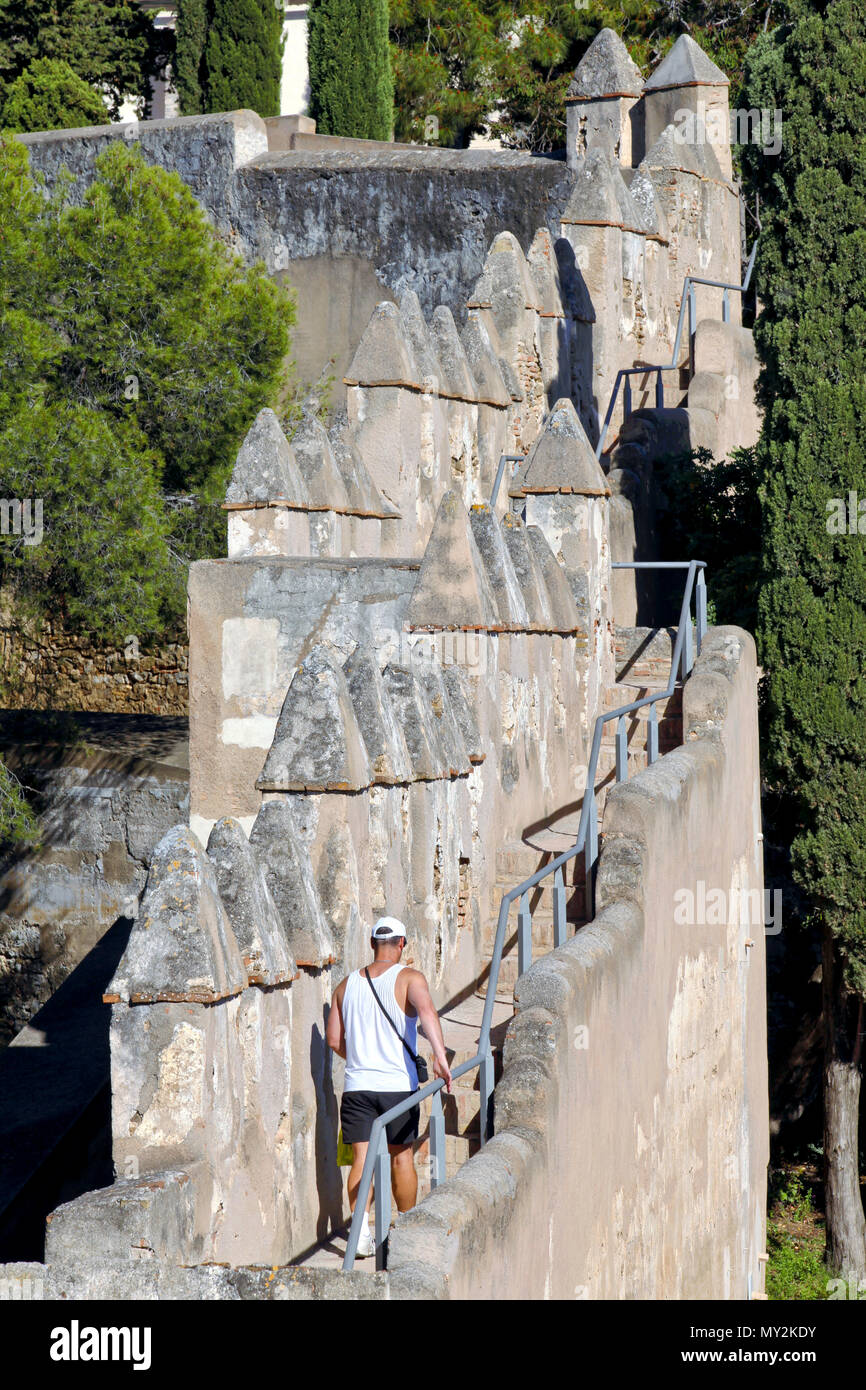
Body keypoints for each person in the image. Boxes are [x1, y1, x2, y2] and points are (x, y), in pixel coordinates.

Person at [326, 916, 452, 1258]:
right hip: (398, 1086)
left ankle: (361, 1234)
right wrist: (440, 1058)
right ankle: (406, 1226)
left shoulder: (344, 985)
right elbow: (427, 1013)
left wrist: (361, 1058)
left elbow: (334, 1039)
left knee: (361, 1161)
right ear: (401, 944)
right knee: (401, 1158)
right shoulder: (410, 978)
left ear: (371, 944)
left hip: (357, 1086)